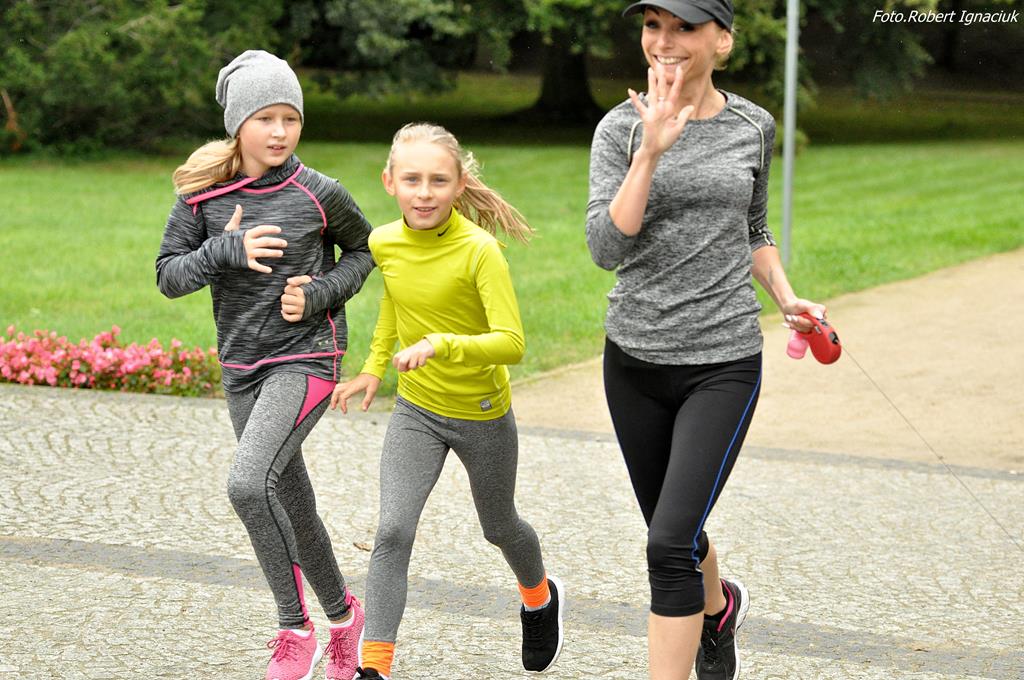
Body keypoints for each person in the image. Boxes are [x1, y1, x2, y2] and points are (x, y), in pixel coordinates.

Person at [586, 3, 828, 679]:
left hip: (722, 361)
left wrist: (786, 297)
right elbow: (605, 249)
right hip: (633, 360)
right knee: (677, 532)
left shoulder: (753, 126)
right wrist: (649, 152)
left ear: (721, 40)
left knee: (667, 545)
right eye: (653, 25)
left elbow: (752, 229)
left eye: (684, 27)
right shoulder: (618, 129)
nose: (664, 41)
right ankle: (717, 609)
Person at [155, 50, 374, 680]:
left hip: (307, 358)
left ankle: (293, 628)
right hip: (242, 367)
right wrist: (223, 249)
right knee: (292, 503)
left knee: (249, 485)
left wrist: (321, 292)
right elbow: (168, 276)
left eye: (290, 118)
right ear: (238, 124)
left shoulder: (319, 192)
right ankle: (345, 619)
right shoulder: (203, 198)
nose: (280, 132)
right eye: (265, 119)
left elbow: (364, 252)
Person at [331, 122, 564, 679]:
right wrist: (373, 367)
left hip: (482, 414)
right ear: (389, 181)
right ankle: (374, 666)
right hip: (416, 411)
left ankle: (539, 597)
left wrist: (442, 344)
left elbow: (512, 343)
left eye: (438, 180)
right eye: (412, 179)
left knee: (499, 526)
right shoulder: (384, 242)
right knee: (392, 531)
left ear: (459, 185)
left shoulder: (480, 251)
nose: (424, 192)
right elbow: (394, 301)